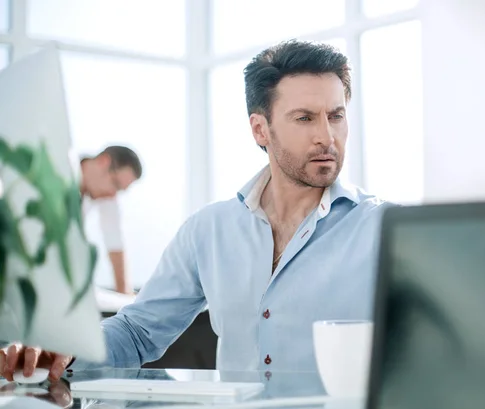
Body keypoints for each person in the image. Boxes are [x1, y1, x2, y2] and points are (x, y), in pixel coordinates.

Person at [0, 40, 394, 383]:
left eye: (336, 115)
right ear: (260, 129)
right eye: (305, 118)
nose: (326, 136)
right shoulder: (209, 229)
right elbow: (138, 331)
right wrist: (66, 351)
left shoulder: (384, 228)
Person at [79, 146, 143, 294]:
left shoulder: (105, 195)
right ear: (103, 161)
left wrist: (124, 298)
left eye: (120, 191)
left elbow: (115, 244)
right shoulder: (61, 171)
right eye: (115, 184)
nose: (114, 195)